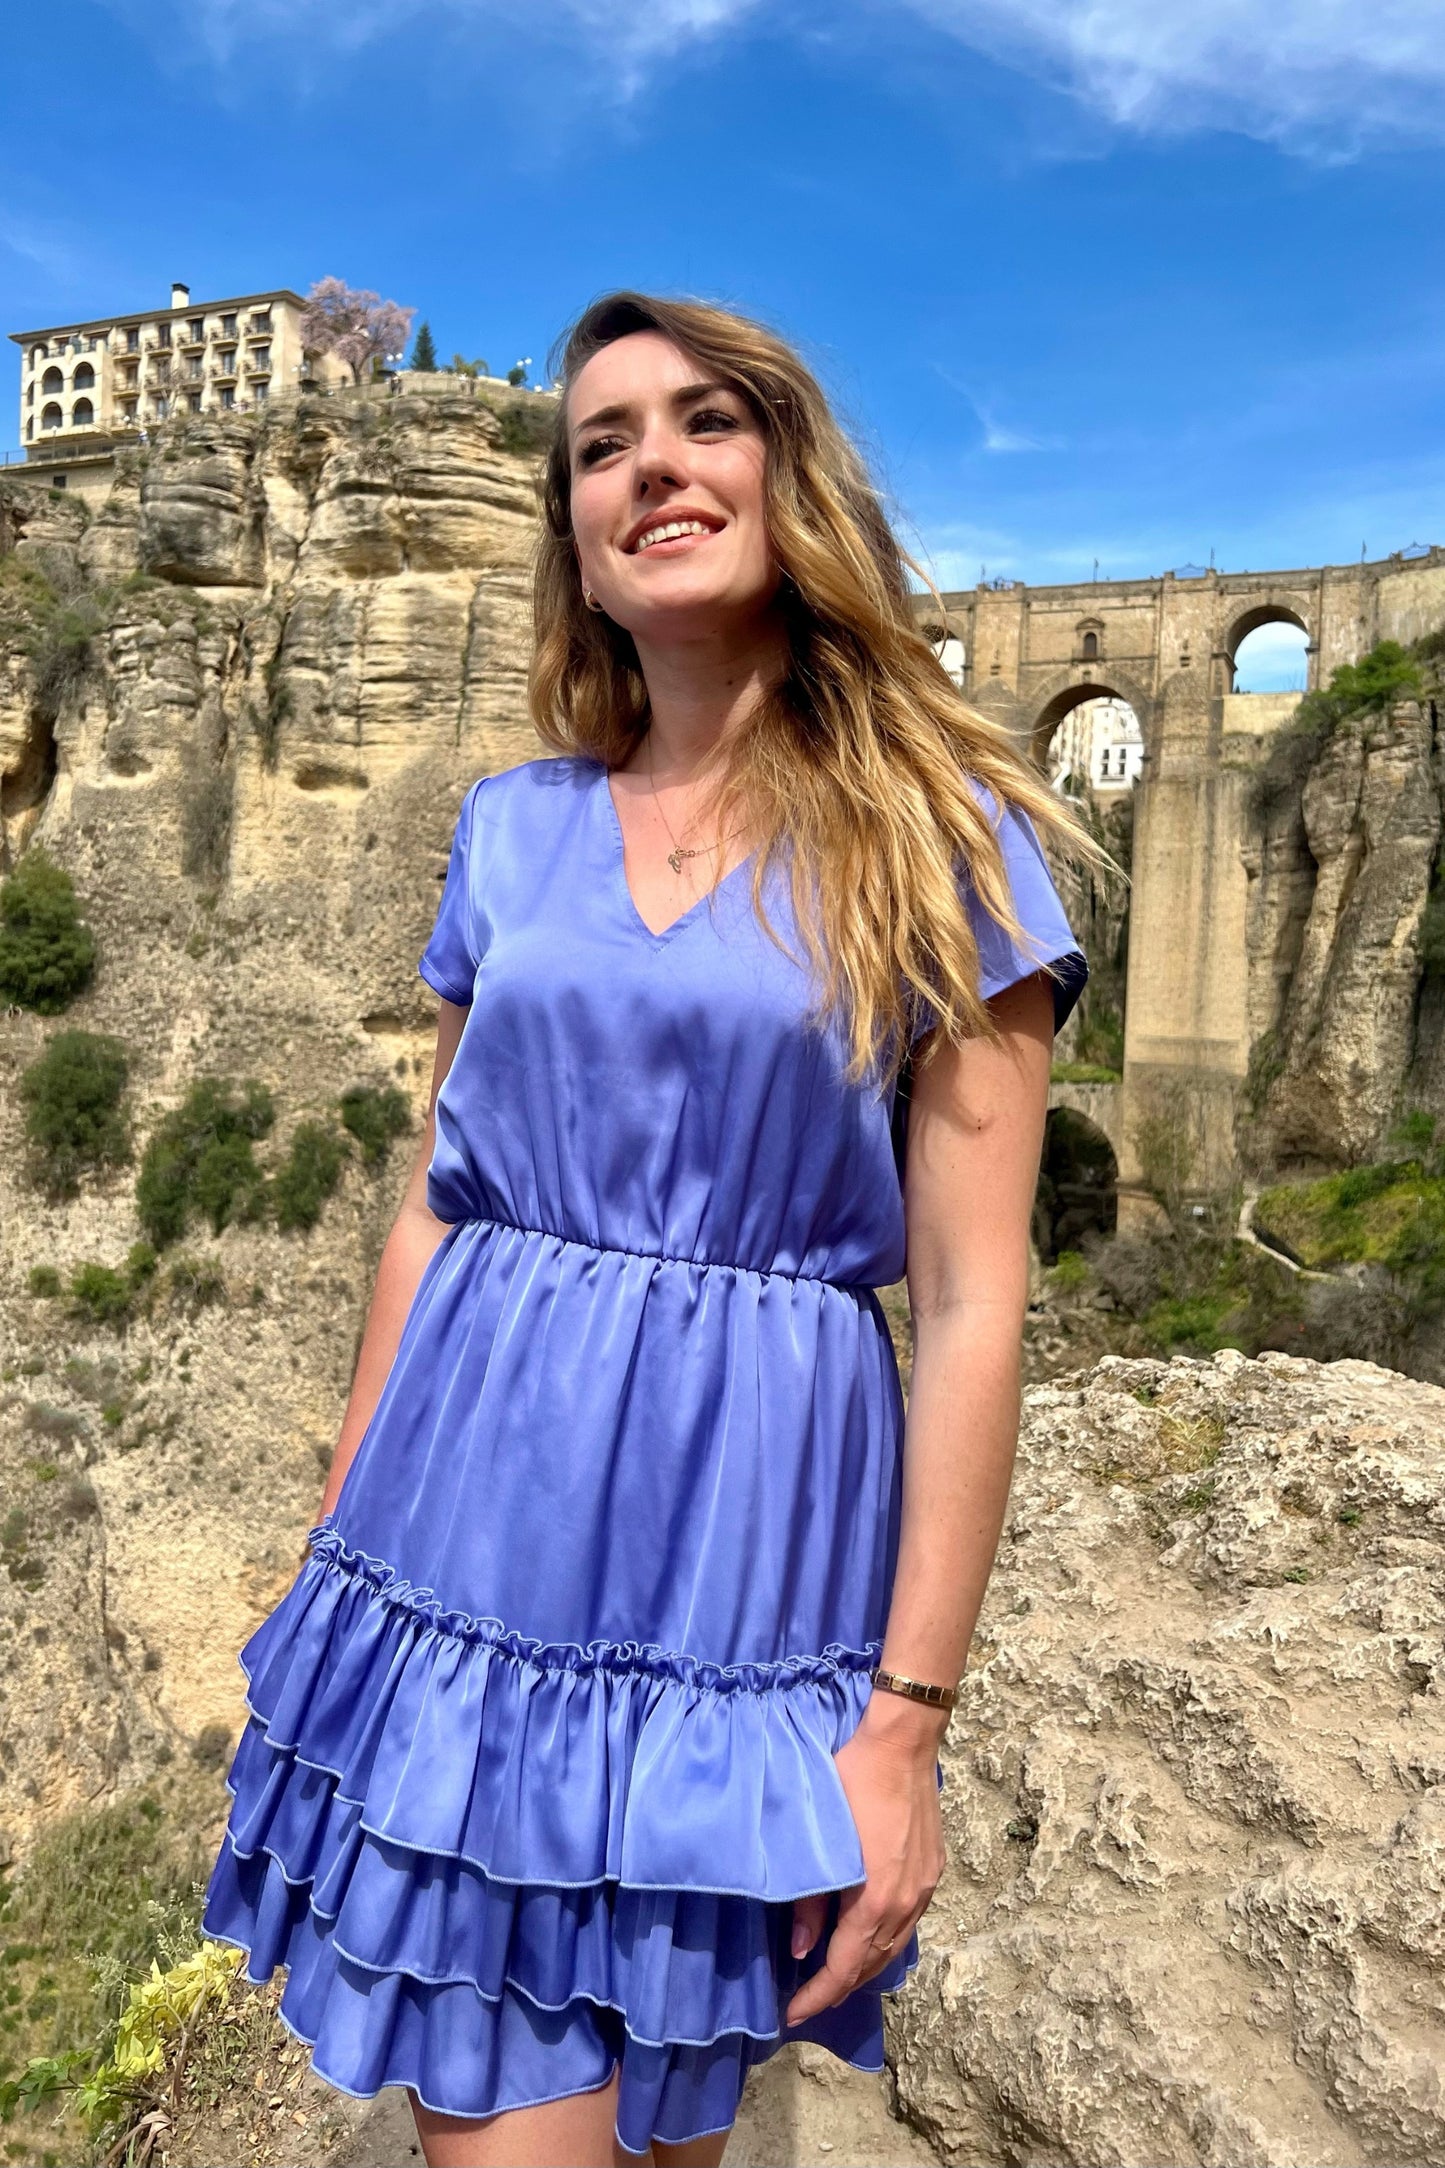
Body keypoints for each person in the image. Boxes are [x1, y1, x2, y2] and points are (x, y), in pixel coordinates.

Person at [201, 290, 1100, 2168]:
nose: (652, 470)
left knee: (672, 2114)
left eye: (703, 422)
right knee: (502, 2115)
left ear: (789, 474)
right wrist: (338, 1517)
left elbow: (969, 1304)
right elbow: (437, 1203)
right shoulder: (510, 829)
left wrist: (904, 1729)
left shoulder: (942, 840)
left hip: (740, 1571)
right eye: (600, 447)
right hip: (461, 1546)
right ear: (575, 542)